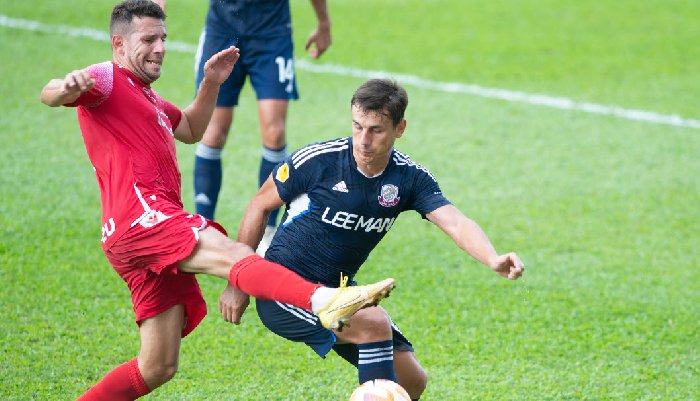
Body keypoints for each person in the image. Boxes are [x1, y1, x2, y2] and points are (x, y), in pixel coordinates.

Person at [39, 2, 393, 400]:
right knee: (230, 253)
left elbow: (190, 128)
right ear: (118, 44)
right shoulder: (106, 78)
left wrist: (211, 83)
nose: (159, 48)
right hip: (143, 217)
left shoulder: (149, 99)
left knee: (158, 367)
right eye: (148, 40)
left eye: (163, 39)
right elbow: (50, 93)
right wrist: (62, 89)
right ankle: (324, 299)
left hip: (131, 235)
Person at [220, 79, 526, 400]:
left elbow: (455, 222)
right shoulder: (319, 161)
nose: (363, 140)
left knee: (411, 381)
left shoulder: (409, 178)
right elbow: (259, 205)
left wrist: (492, 258)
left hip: (339, 292)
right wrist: (237, 282)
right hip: (281, 288)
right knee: (374, 323)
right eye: (357, 127)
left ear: (399, 128)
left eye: (376, 130)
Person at [179, 0, 332, 254]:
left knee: (275, 131)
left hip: (272, 33)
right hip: (222, 30)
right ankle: (203, 227)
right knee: (213, 132)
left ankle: (267, 232)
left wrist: (323, 23)